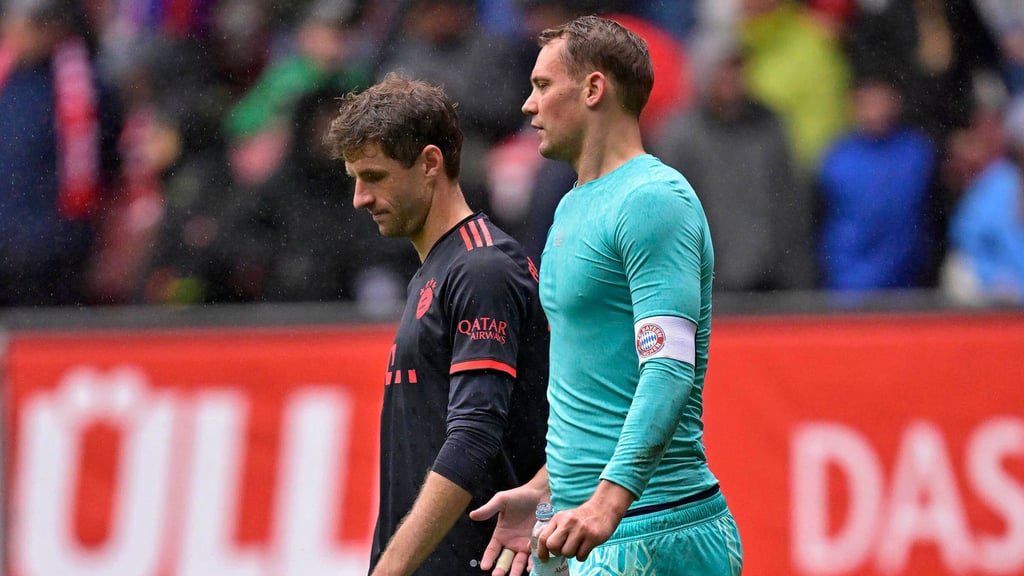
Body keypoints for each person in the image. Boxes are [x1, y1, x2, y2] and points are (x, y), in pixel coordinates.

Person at [470, 15, 743, 576]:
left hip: (653, 527)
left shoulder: (652, 199)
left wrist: (607, 502)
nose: (528, 105)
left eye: (543, 86)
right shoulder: (571, 204)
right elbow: (594, 392)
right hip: (575, 526)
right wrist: (547, 489)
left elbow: (669, 368)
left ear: (594, 89)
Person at [323, 73, 550, 575]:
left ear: (430, 163)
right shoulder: (443, 268)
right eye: (354, 178)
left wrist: (389, 569)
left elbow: (473, 435)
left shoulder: (481, 270)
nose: (360, 197)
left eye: (375, 177)